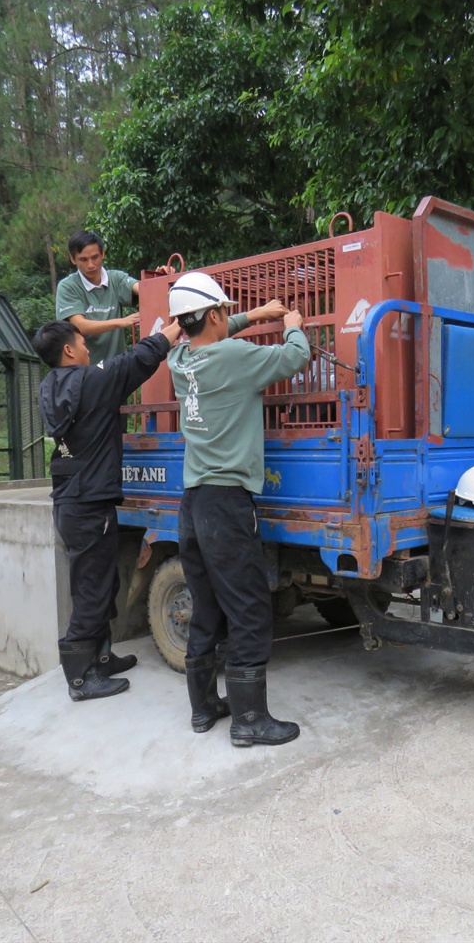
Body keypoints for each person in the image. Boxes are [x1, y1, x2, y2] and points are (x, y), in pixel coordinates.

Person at [166, 272, 309, 746]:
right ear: (212, 315)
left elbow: (214, 334)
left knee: (207, 605)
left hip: (193, 504)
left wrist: (253, 315)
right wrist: (290, 322)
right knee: (249, 608)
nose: (230, 317)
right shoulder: (234, 356)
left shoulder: (179, 358)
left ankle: (204, 708)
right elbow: (296, 357)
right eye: (225, 311)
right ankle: (250, 722)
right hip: (227, 503)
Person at [34, 317, 182, 700]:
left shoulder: (49, 387)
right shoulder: (89, 382)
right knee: (91, 590)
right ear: (68, 350)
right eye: (83, 342)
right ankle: (81, 678)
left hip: (72, 499)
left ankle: (100, 658)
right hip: (87, 502)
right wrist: (175, 327)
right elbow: (136, 360)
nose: (88, 348)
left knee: (101, 584)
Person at [54, 230, 174, 368]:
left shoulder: (116, 278)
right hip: (83, 373)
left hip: (115, 370)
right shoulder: (68, 287)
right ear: (73, 259)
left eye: (95, 257)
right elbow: (79, 326)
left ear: (103, 254)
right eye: (83, 259)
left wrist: (162, 280)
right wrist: (121, 322)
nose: (91, 265)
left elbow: (143, 290)